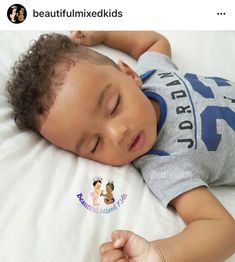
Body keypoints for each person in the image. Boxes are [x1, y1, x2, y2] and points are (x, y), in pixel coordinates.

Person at [6, 31, 235, 261]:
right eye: (95, 144)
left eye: (114, 106)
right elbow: (222, 229)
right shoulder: (165, 166)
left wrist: (106, 34)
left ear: (129, 74)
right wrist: (160, 254)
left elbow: (154, 42)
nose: (118, 134)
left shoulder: (154, 73)